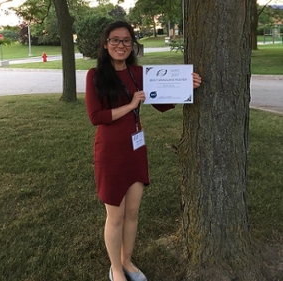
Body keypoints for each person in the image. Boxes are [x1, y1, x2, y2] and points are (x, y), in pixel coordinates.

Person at [85, 20, 201, 281]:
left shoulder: (139, 73)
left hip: (136, 149)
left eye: (126, 40)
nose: (121, 45)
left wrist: (186, 87)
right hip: (110, 151)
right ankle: (115, 269)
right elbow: (96, 116)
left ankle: (127, 260)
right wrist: (130, 105)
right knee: (115, 215)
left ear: (132, 45)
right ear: (105, 44)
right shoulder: (95, 75)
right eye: (115, 40)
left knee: (133, 212)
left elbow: (160, 103)